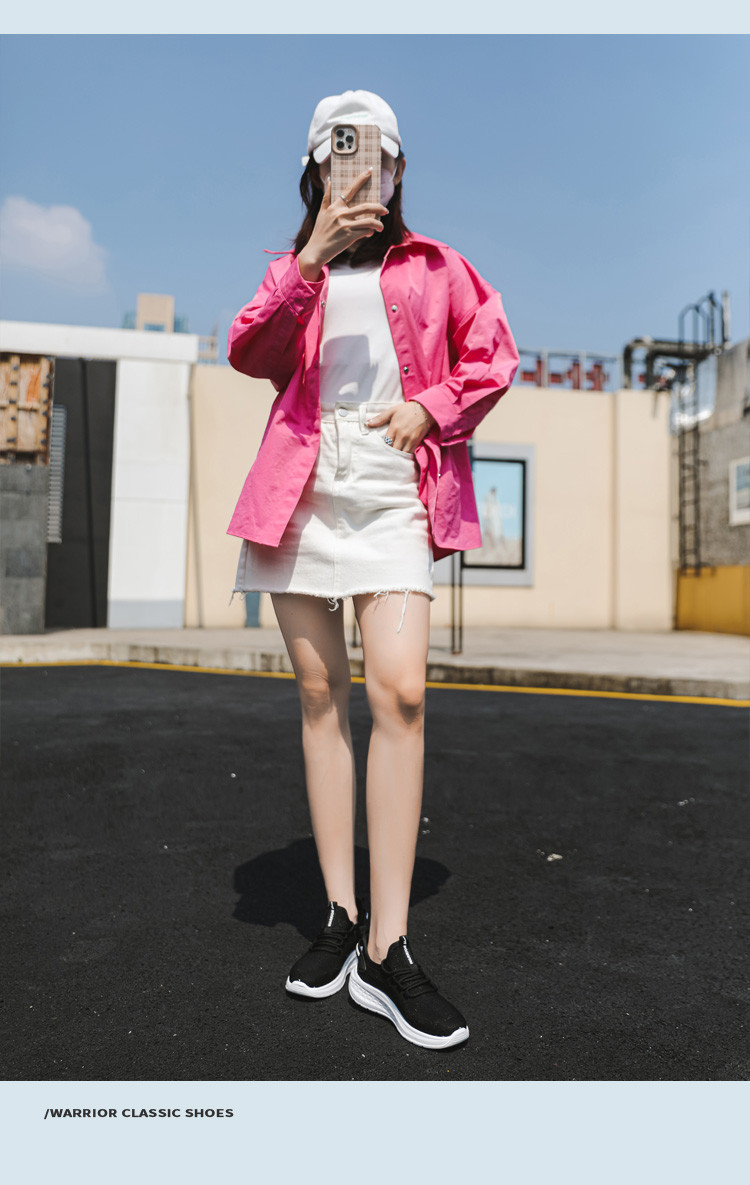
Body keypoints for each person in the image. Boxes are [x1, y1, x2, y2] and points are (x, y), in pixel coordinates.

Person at [226, 90, 520, 1050]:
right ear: (317, 172)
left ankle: (390, 950)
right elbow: (250, 351)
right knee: (321, 698)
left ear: (396, 172)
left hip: (393, 493)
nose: (362, 175)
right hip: (304, 492)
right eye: (341, 159)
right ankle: (341, 917)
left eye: (378, 160)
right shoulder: (293, 270)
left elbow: (494, 355)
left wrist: (432, 407)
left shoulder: (439, 266)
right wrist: (308, 260)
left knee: (401, 694)